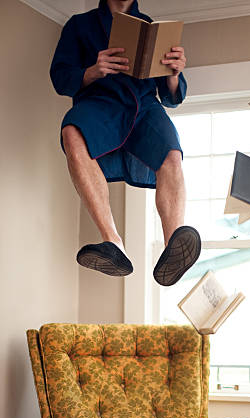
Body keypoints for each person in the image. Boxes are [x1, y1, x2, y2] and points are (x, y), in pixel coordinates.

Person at [50, 0, 201, 286]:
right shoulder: (79, 26)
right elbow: (60, 78)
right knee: (72, 131)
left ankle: (174, 245)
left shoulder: (152, 29)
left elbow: (171, 97)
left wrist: (174, 73)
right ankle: (112, 243)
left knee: (171, 151)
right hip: (99, 101)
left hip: (143, 105)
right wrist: (94, 70)